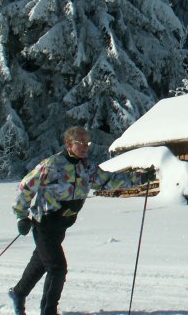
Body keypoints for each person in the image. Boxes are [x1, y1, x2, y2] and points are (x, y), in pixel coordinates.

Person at [8, 126, 154, 315]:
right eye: (81, 143)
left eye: (88, 143)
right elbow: (26, 186)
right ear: (69, 144)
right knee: (57, 268)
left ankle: (18, 293)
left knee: (42, 262)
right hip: (44, 223)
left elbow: (108, 180)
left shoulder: (86, 167)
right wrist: (21, 215)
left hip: (62, 225)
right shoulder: (51, 165)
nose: (86, 147)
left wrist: (139, 178)